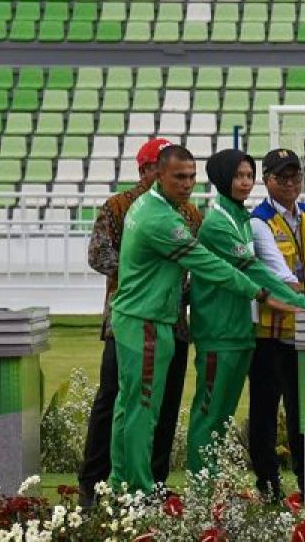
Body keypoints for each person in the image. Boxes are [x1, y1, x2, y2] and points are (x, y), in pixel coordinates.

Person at [108, 145, 301, 495]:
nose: (186, 184)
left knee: (131, 406)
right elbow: (209, 265)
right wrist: (263, 294)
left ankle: (122, 484)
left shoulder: (156, 206)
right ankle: (137, 489)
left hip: (143, 317)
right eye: (179, 177)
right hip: (147, 321)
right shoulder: (162, 218)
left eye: (191, 177)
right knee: (143, 409)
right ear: (158, 174)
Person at [79, 137, 197, 506]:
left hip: (173, 318)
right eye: (149, 168)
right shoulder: (117, 206)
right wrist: (142, 271)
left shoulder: (189, 212)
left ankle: (154, 481)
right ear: (145, 169)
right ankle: (95, 482)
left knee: (163, 401)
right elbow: (98, 255)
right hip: (127, 318)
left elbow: (194, 258)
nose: (153, 175)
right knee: (115, 398)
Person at [187, 150, 305, 476]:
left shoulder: (239, 217)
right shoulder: (218, 222)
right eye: (237, 176)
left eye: (248, 176)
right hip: (219, 331)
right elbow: (254, 270)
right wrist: (303, 304)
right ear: (220, 179)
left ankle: (208, 491)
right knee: (210, 415)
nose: (245, 182)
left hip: (239, 330)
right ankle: (200, 495)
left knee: (222, 416)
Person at [248, 148, 305, 501]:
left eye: (295, 176)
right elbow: (279, 272)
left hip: (304, 331)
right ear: (267, 180)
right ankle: (268, 482)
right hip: (268, 333)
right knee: (264, 410)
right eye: (281, 177)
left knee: (302, 409)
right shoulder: (259, 221)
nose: (290, 183)